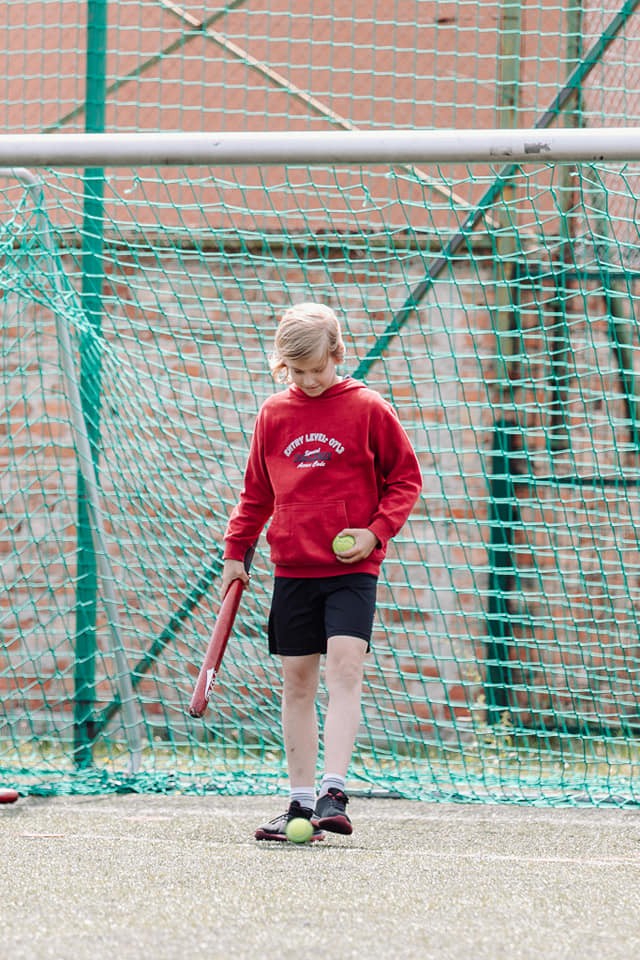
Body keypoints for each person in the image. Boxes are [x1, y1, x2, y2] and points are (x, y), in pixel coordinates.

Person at [221, 301, 422, 841]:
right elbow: (256, 494)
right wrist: (236, 551)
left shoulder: (369, 408)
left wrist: (376, 532)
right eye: (296, 372)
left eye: (316, 369)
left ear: (337, 353)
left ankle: (335, 793)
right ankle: (300, 802)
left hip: (352, 569)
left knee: (345, 669)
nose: (308, 381)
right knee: (297, 682)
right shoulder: (273, 414)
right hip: (293, 569)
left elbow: (405, 480)